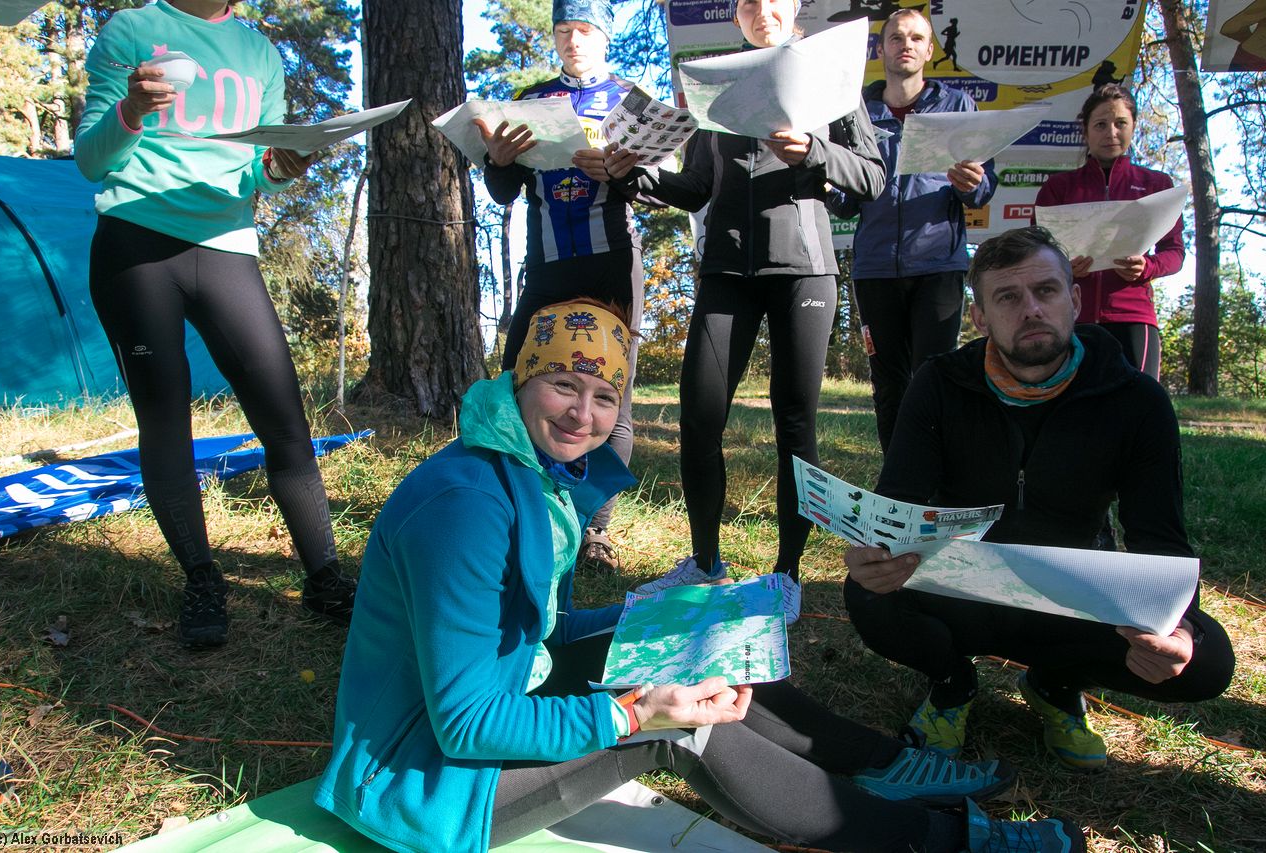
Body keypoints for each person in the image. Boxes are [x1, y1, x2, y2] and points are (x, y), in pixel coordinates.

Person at [314, 298, 1085, 853]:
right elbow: (467, 722)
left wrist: (671, 614)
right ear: (521, 381)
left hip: (487, 715)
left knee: (700, 638)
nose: (583, 414)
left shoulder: (527, 471)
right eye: (563, 385)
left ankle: (887, 766)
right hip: (423, 780)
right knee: (681, 728)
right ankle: (944, 840)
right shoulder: (467, 507)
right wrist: (633, 714)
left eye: (604, 396)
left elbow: (533, 633)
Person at [842, 227, 1235, 770]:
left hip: (1072, 598)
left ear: (1074, 299)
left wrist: (1179, 626)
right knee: (867, 593)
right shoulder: (938, 383)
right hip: (963, 589)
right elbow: (897, 502)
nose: (1031, 309)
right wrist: (874, 554)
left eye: (1046, 291)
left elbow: (1160, 536)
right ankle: (952, 684)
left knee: (1206, 663)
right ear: (980, 317)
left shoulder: (1136, 399)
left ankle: (1056, 683)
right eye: (1007, 297)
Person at [590, 0, 886, 621]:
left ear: (794, 5)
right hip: (726, 269)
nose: (760, 9)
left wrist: (814, 152)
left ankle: (787, 574)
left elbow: (872, 178)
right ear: (738, 15)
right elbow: (697, 186)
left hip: (804, 270)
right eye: (747, 2)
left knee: (795, 426)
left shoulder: (827, 69)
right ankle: (705, 562)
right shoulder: (716, 80)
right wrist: (633, 175)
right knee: (700, 418)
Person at [74, 0, 355, 648]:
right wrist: (131, 111)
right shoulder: (132, 31)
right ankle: (202, 579)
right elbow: (91, 160)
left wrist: (284, 166)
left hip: (227, 246)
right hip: (136, 240)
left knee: (283, 416)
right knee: (165, 417)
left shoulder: (259, 53)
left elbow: (262, 171)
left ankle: (325, 577)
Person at [473, 0, 641, 575]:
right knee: (517, 379)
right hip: (547, 264)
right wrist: (498, 162)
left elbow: (656, 187)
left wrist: (623, 174)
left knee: (609, 393)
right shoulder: (530, 99)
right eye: (564, 30)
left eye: (586, 30)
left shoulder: (629, 98)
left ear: (605, 37)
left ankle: (594, 528)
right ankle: (523, 509)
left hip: (613, 262)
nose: (574, 41)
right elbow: (504, 192)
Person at [828, 7, 997, 452]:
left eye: (917, 38)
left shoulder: (958, 106)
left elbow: (984, 190)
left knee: (935, 377)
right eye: (897, 37)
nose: (906, 45)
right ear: (880, 49)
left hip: (938, 265)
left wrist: (973, 184)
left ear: (928, 50)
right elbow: (846, 202)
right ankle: (898, 478)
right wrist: (825, 183)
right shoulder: (855, 112)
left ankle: (939, 475)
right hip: (875, 269)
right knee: (888, 385)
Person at [1034, 84, 1183, 380]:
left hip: (1133, 316)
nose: (1111, 133)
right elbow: (1037, 253)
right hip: (1071, 317)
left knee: (1140, 402)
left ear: (1133, 126)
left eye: (1120, 123)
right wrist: (1064, 268)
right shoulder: (1058, 187)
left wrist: (1147, 267)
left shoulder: (1157, 185)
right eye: (1100, 124)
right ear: (1085, 131)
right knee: (1073, 403)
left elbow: (1175, 252)